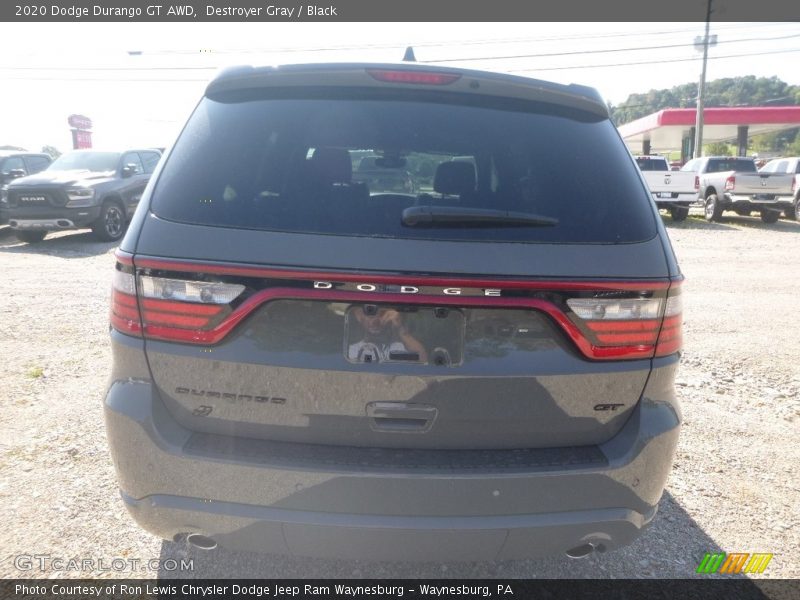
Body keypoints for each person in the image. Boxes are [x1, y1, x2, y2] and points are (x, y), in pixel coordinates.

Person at [348, 306, 428, 363]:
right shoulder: (352, 351)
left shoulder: (398, 347)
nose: (375, 322)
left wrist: (399, 327)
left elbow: (422, 360)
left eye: (381, 315)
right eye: (371, 315)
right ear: (359, 317)